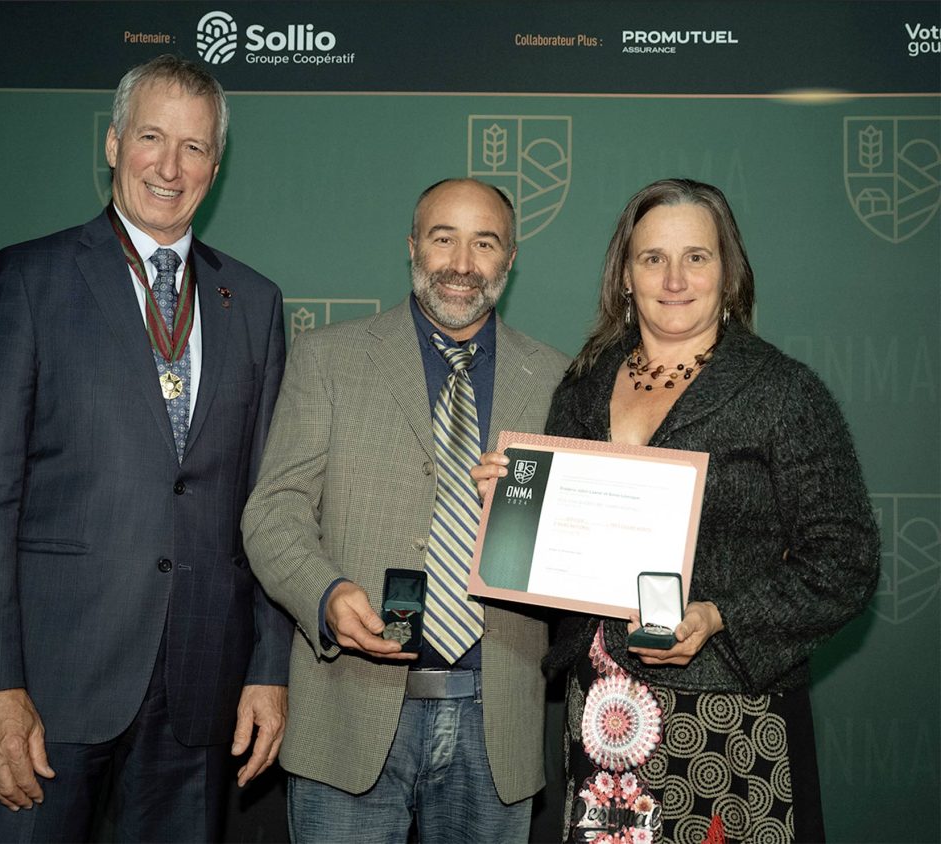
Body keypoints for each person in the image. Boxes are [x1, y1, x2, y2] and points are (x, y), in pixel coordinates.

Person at [0, 54, 292, 842]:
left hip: (199, 688)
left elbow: (270, 506)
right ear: (112, 145)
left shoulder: (255, 303)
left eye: (195, 147)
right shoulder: (30, 279)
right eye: (150, 137)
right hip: (50, 686)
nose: (170, 167)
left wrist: (269, 668)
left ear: (217, 161)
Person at [474, 178, 879, 843]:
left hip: (731, 720)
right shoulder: (582, 385)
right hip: (602, 715)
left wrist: (722, 616)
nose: (674, 278)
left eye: (697, 256)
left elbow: (846, 561)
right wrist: (513, 506)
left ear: (729, 271)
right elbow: (556, 561)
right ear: (625, 276)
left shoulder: (783, 391)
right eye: (652, 258)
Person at [242, 178, 570, 842]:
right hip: (348, 715)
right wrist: (326, 594)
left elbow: (579, 554)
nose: (461, 264)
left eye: (485, 243)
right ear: (412, 245)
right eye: (443, 237)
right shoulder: (327, 358)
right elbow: (273, 512)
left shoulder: (561, 382)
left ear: (510, 260)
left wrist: (532, 518)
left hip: (495, 723)